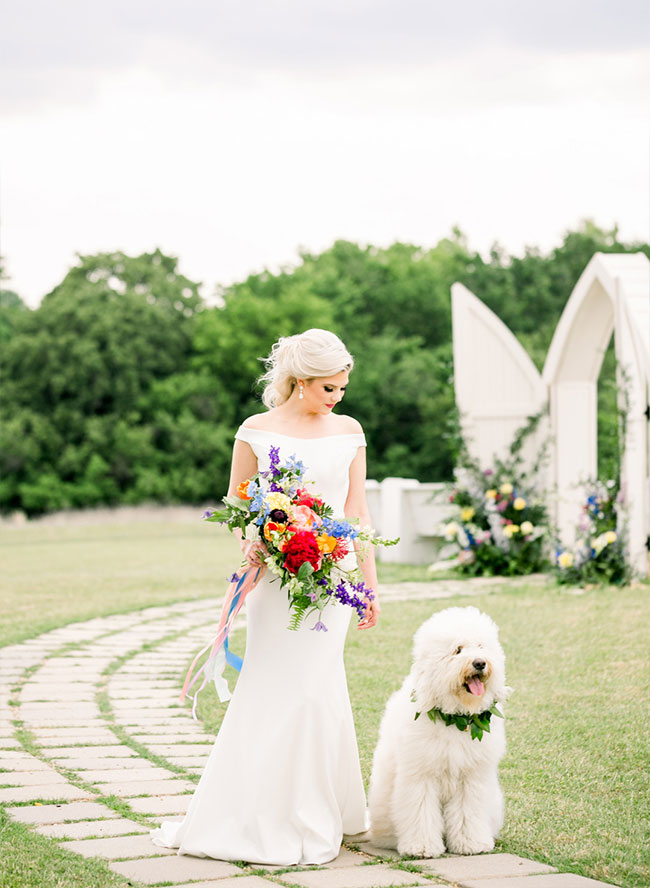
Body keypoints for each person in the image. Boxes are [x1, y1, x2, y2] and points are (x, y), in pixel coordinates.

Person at [151, 328, 380, 865]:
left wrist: (368, 584)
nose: (338, 398)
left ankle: (323, 809)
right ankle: (254, 813)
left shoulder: (350, 431)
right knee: (273, 685)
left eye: (342, 388)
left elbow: (358, 511)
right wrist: (258, 543)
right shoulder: (255, 430)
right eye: (329, 388)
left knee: (317, 688)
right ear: (300, 382)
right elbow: (235, 502)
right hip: (275, 581)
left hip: (332, 577)